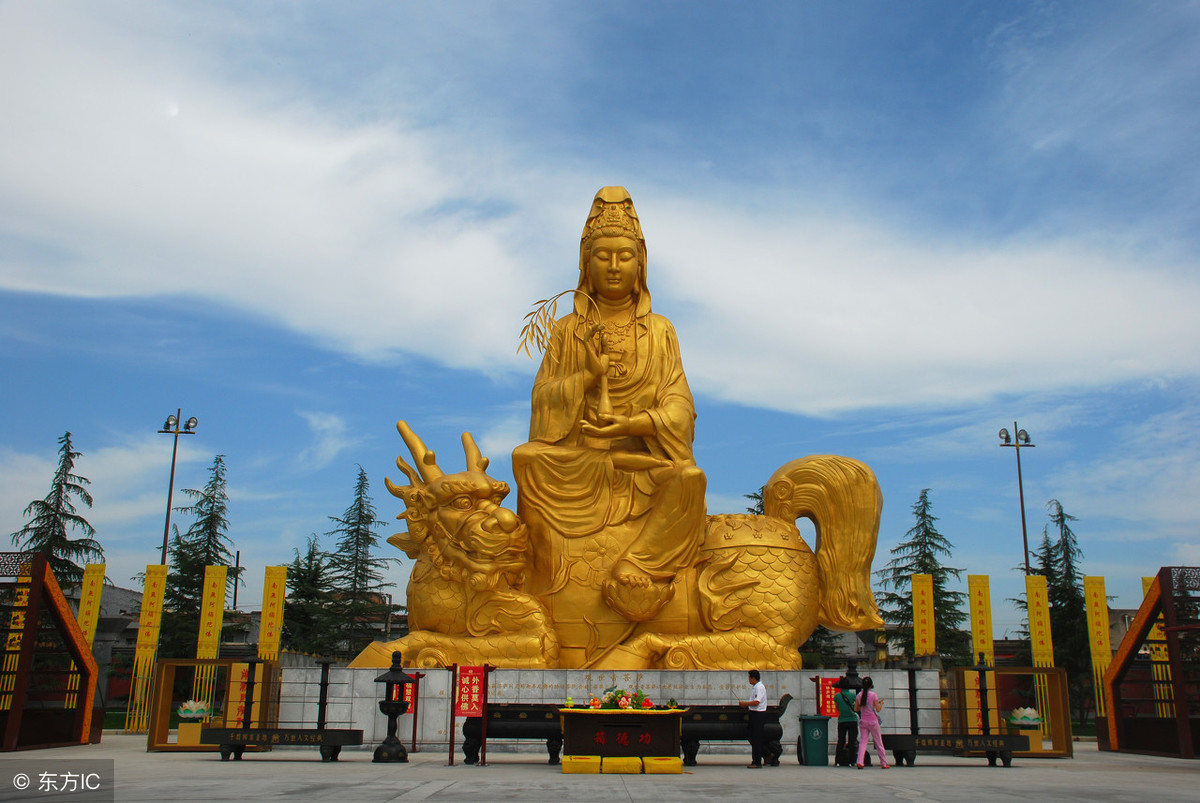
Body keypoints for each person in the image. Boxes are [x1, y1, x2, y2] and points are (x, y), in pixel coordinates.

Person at [513, 187, 707, 634]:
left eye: (625, 256)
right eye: (604, 256)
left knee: (689, 480)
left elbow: (679, 406)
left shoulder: (660, 332)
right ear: (586, 262)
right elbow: (543, 400)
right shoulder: (566, 330)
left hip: (640, 456)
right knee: (526, 457)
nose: (615, 266)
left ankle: (639, 565)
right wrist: (584, 376)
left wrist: (634, 422)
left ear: (641, 263)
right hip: (580, 458)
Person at [854, 676, 889, 769]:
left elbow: (856, 709)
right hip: (873, 722)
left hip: (863, 722)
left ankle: (860, 762)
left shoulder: (859, 695)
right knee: (878, 742)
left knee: (863, 742)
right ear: (871, 685)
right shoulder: (873, 695)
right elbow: (877, 710)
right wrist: (880, 704)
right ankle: (884, 763)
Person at [739, 669, 768, 768]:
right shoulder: (756, 687)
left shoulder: (759, 687)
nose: (748, 679)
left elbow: (756, 702)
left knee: (756, 738)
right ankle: (767, 755)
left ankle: (757, 762)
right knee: (752, 736)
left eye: (749, 677)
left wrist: (745, 704)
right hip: (754, 713)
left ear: (753, 678)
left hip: (758, 714)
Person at [833, 678, 863, 767]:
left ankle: (838, 760)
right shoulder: (853, 696)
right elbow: (857, 707)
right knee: (852, 741)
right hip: (852, 720)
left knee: (841, 740)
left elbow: (837, 708)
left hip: (842, 720)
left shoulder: (837, 696)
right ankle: (852, 761)